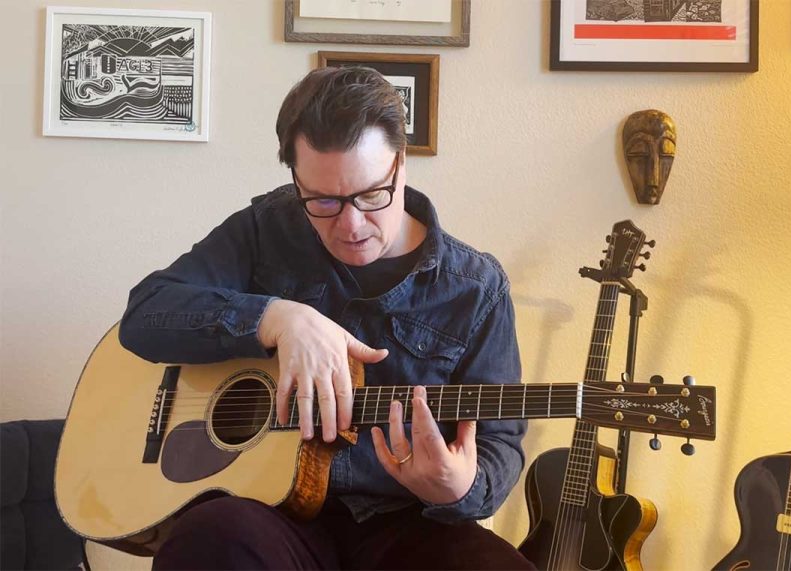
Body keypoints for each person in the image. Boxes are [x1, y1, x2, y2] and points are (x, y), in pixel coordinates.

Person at [118, 66, 534, 570]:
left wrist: (460, 486)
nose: (351, 224)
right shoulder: (267, 228)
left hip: (407, 521)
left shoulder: (476, 287)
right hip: (269, 510)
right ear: (296, 179)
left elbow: (499, 444)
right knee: (209, 537)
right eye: (323, 201)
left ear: (401, 164)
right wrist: (275, 317)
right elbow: (146, 313)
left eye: (371, 195)